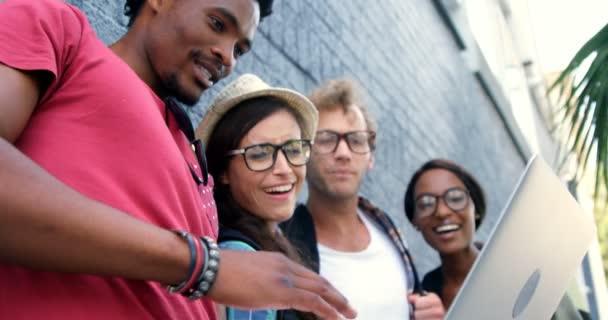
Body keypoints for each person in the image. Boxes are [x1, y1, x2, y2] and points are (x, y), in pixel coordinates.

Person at [0, 0, 355, 319]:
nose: (228, 59)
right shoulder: (62, 32)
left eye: (240, 50)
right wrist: (204, 267)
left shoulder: (191, 151)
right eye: (218, 24)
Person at [281, 78, 444, 320]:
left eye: (356, 140)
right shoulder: (283, 246)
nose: (343, 153)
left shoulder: (387, 230)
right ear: (304, 153)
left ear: (370, 158)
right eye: (326, 139)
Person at [197, 73, 319, 320]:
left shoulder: (275, 240)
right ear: (223, 172)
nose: (285, 169)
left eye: (294, 149)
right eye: (260, 154)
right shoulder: (239, 259)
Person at [403, 159, 585, 319]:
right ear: (415, 221)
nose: (442, 211)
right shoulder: (427, 292)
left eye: (456, 198)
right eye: (426, 204)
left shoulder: (519, 267)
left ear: (475, 209)